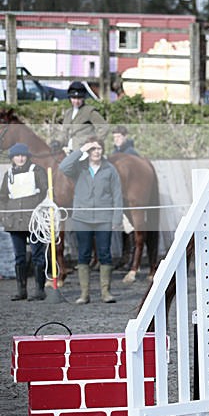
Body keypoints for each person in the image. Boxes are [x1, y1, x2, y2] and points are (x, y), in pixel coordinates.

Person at [59, 137, 123, 304]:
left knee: (105, 253)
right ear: (88, 151)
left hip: (104, 218)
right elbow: (63, 166)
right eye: (92, 149)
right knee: (83, 253)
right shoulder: (78, 168)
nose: (96, 152)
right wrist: (81, 150)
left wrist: (117, 218)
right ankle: (84, 294)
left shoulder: (110, 169)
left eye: (99, 148)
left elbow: (117, 194)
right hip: (82, 218)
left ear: (103, 150)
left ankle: (106, 292)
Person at [0, 143, 48, 301]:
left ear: (27, 157)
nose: (20, 159)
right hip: (15, 222)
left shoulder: (37, 171)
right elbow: (3, 197)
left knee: (38, 255)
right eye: (17, 156)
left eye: (23, 155)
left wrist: (37, 209)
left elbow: (45, 192)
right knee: (19, 257)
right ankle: (21, 290)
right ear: (12, 158)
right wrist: (5, 217)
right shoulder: (8, 174)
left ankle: (39, 290)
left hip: (34, 220)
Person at [54, 81, 109, 153]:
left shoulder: (90, 111)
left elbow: (104, 127)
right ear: (70, 98)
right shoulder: (68, 113)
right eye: (74, 98)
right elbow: (64, 133)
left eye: (79, 98)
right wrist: (57, 142)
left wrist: (94, 143)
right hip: (69, 150)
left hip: (84, 151)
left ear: (83, 98)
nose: (76, 101)